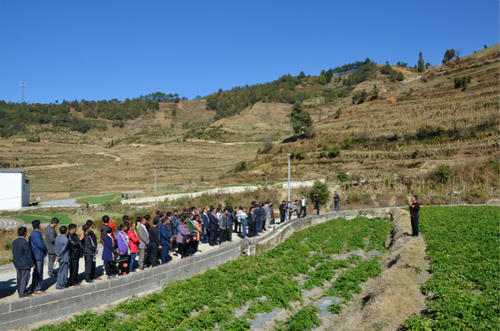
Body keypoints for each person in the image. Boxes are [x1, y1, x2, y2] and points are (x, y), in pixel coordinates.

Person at [12, 226, 34, 298]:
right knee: (24, 279)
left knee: (19, 279)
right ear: (25, 233)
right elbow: (28, 255)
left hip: (17, 263)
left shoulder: (14, 242)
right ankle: (22, 293)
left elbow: (14, 253)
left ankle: (19, 290)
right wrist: (32, 264)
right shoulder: (25, 243)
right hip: (25, 264)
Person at [29, 219, 47, 294]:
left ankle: (34, 286)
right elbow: (41, 245)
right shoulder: (37, 234)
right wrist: (45, 250)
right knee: (39, 273)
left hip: (34, 255)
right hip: (38, 255)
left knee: (36, 273)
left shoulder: (32, 234)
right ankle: (37, 288)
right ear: (39, 225)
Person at [54, 225, 69, 290]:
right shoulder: (66, 239)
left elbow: (55, 247)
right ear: (66, 231)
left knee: (60, 271)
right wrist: (59, 256)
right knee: (64, 272)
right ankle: (61, 285)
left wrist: (57, 255)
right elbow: (63, 249)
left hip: (58, 256)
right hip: (64, 257)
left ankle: (59, 284)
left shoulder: (57, 238)